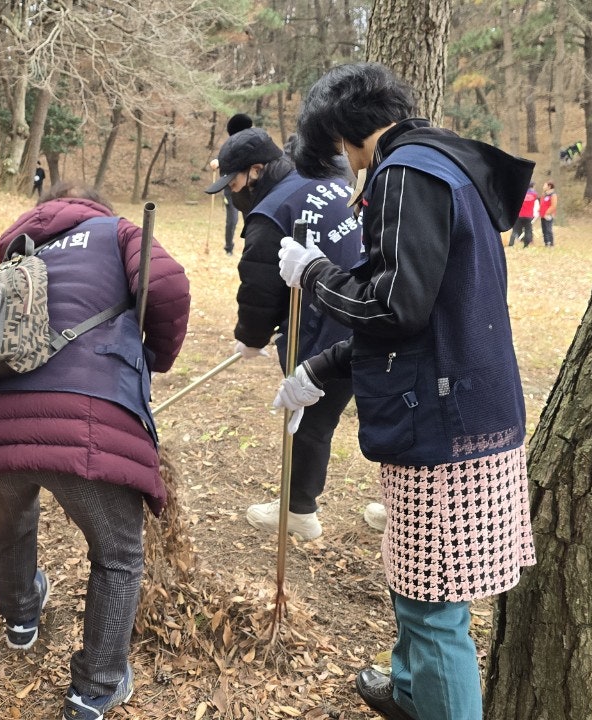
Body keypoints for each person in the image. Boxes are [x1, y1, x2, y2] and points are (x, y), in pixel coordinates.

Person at [277, 62, 535, 720]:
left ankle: (434, 698)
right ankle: (412, 691)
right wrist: (321, 369)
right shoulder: (448, 165)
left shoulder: (405, 174)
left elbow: (396, 307)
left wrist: (316, 272)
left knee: (433, 605)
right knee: (417, 576)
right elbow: (423, 315)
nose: (346, 167)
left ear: (345, 134)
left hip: (444, 425)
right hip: (464, 404)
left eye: (336, 152)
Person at [0, 182, 190, 720]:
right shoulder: (119, 231)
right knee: (118, 552)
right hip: (83, 415)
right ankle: (96, 687)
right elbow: (168, 288)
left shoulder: (16, 248)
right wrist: (151, 357)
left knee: (11, 514)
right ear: (93, 206)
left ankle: (21, 618)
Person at [204, 128, 360, 541]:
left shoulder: (272, 212)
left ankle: (298, 511)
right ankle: (403, 509)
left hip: (327, 324)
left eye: (233, 182)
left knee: (308, 418)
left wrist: (251, 337)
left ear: (255, 171)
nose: (231, 192)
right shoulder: (321, 178)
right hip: (370, 307)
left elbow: (259, 288)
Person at [215, 112, 254, 256]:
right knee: (232, 220)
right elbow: (221, 160)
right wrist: (217, 162)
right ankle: (229, 248)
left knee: (249, 222)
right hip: (230, 192)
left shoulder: (251, 146)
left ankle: (249, 249)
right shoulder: (228, 146)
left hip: (247, 192)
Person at [507, 182, 537, 247]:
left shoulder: (521, 193)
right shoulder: (534, 194)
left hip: (520, 215)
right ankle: (526, 245)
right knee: (528, 230)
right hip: (529, 215)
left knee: (515, 229)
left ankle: (511, 243)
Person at [539, 180, 557, 247]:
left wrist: (547, 213)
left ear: (549, 186)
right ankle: (546, 243)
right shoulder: (545, 194)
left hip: (548, 215)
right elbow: (542, 204)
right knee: (544, 229)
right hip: (543, 215)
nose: (543, 187)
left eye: (545, 185)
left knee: (548, 229)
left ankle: (551, 243)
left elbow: (553, 205)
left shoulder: (553, 195)